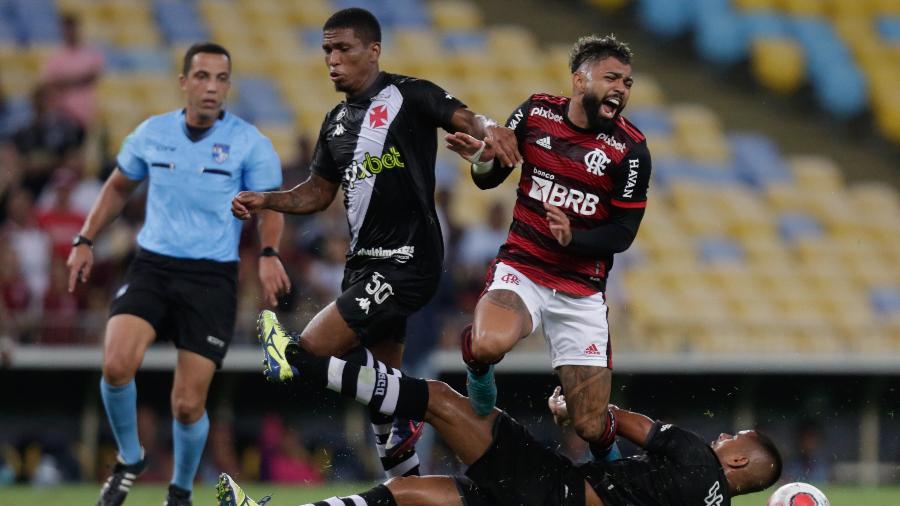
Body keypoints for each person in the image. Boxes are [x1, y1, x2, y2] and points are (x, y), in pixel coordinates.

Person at [232, 7, 519, 479]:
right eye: (327, 50)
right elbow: (318, 192)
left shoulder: (410, 94)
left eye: (343, 48)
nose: (332, 60)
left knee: (308, 352)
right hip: (362, 265)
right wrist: (268, 199)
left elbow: (464, 116)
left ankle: (421, 408)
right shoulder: (335, 123)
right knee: (382, 411)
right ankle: (406, 483)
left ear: (373, 50)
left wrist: (492, 130)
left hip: (408, 260)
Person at [66, 42, 289, 506]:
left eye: (221, 78)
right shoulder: (152, 133)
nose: (212, 87)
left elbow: (270, 205)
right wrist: (84, 240)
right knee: (115, 363)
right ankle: (130, 459)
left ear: (228, 85)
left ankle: (181, 490)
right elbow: (118, 187)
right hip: (153, 266)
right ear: (184, 82)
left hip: (212, 279)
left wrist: (268, 252)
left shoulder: (250, 143)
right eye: (203, 76)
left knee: (187, 404)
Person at [216, 332, 783, 506]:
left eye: (732, 437)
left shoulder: (691, 453)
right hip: (547, 501)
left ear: (737, 460)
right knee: (410, 494)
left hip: (550, 489)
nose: (722, 435)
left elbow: (609, 422)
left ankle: (298, 363)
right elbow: (617, 465)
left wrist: (573, 407)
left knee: (439, 398)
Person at [443, 34, 652, 462]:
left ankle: (616, 482)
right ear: (579, 79)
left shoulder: (630, 150)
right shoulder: (536, 113)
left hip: (581, 290)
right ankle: (479, 372)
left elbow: (623, 232)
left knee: (591, 425)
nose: (621, 89)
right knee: (486, 344)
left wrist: (574, 238)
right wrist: (481, 159)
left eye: (627, 83)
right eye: (611, 77)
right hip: (525, 268)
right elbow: (489, 178)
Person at [41, 14, 105, 128]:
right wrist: (80, 78)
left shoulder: (90, 54)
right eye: (67, 29)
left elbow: (92, 76)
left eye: (72, 28)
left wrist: (65, 80)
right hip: (64, 113)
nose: (70, 32)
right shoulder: (56, 56)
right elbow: (50, 83)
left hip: (86, 113)